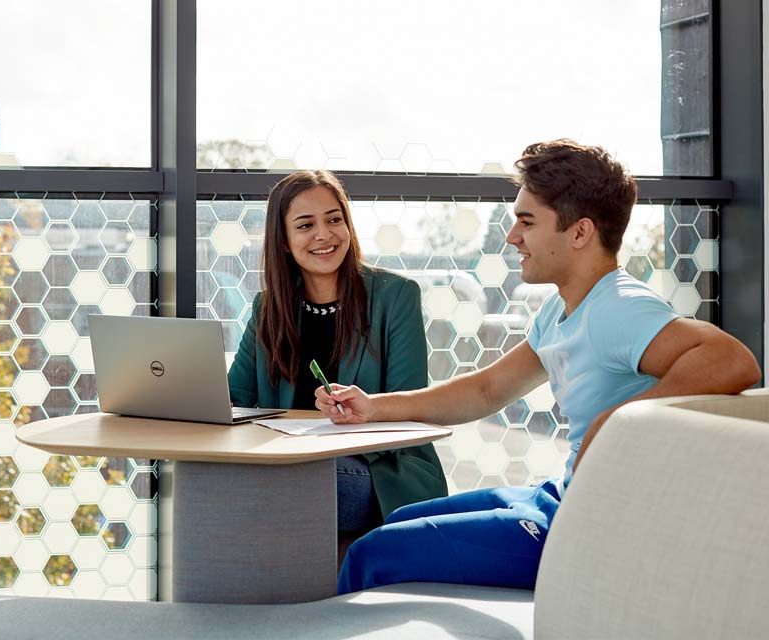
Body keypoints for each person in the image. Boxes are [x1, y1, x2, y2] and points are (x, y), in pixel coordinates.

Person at [314, 140, 762, 594]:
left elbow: (732, 360)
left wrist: (619, 423)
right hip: (556, 494)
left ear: (580, 232)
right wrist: (373, 407)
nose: (512, 237)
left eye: (526, 222)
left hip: (588, 520)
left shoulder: (620, 307)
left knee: (370, 553)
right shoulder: (563, 309)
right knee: (404, 516)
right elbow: (488, 390)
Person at [228, 169, 448, 541]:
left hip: (378, 471)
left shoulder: (395, 297)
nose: (324, 235)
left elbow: (410, 405)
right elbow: (236, 399)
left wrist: (360, 412)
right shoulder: (268, 308)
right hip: (287, 460)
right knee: (215, 474)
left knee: (285, 483)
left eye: (334, 219)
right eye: (305, 225)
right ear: (283, 240)